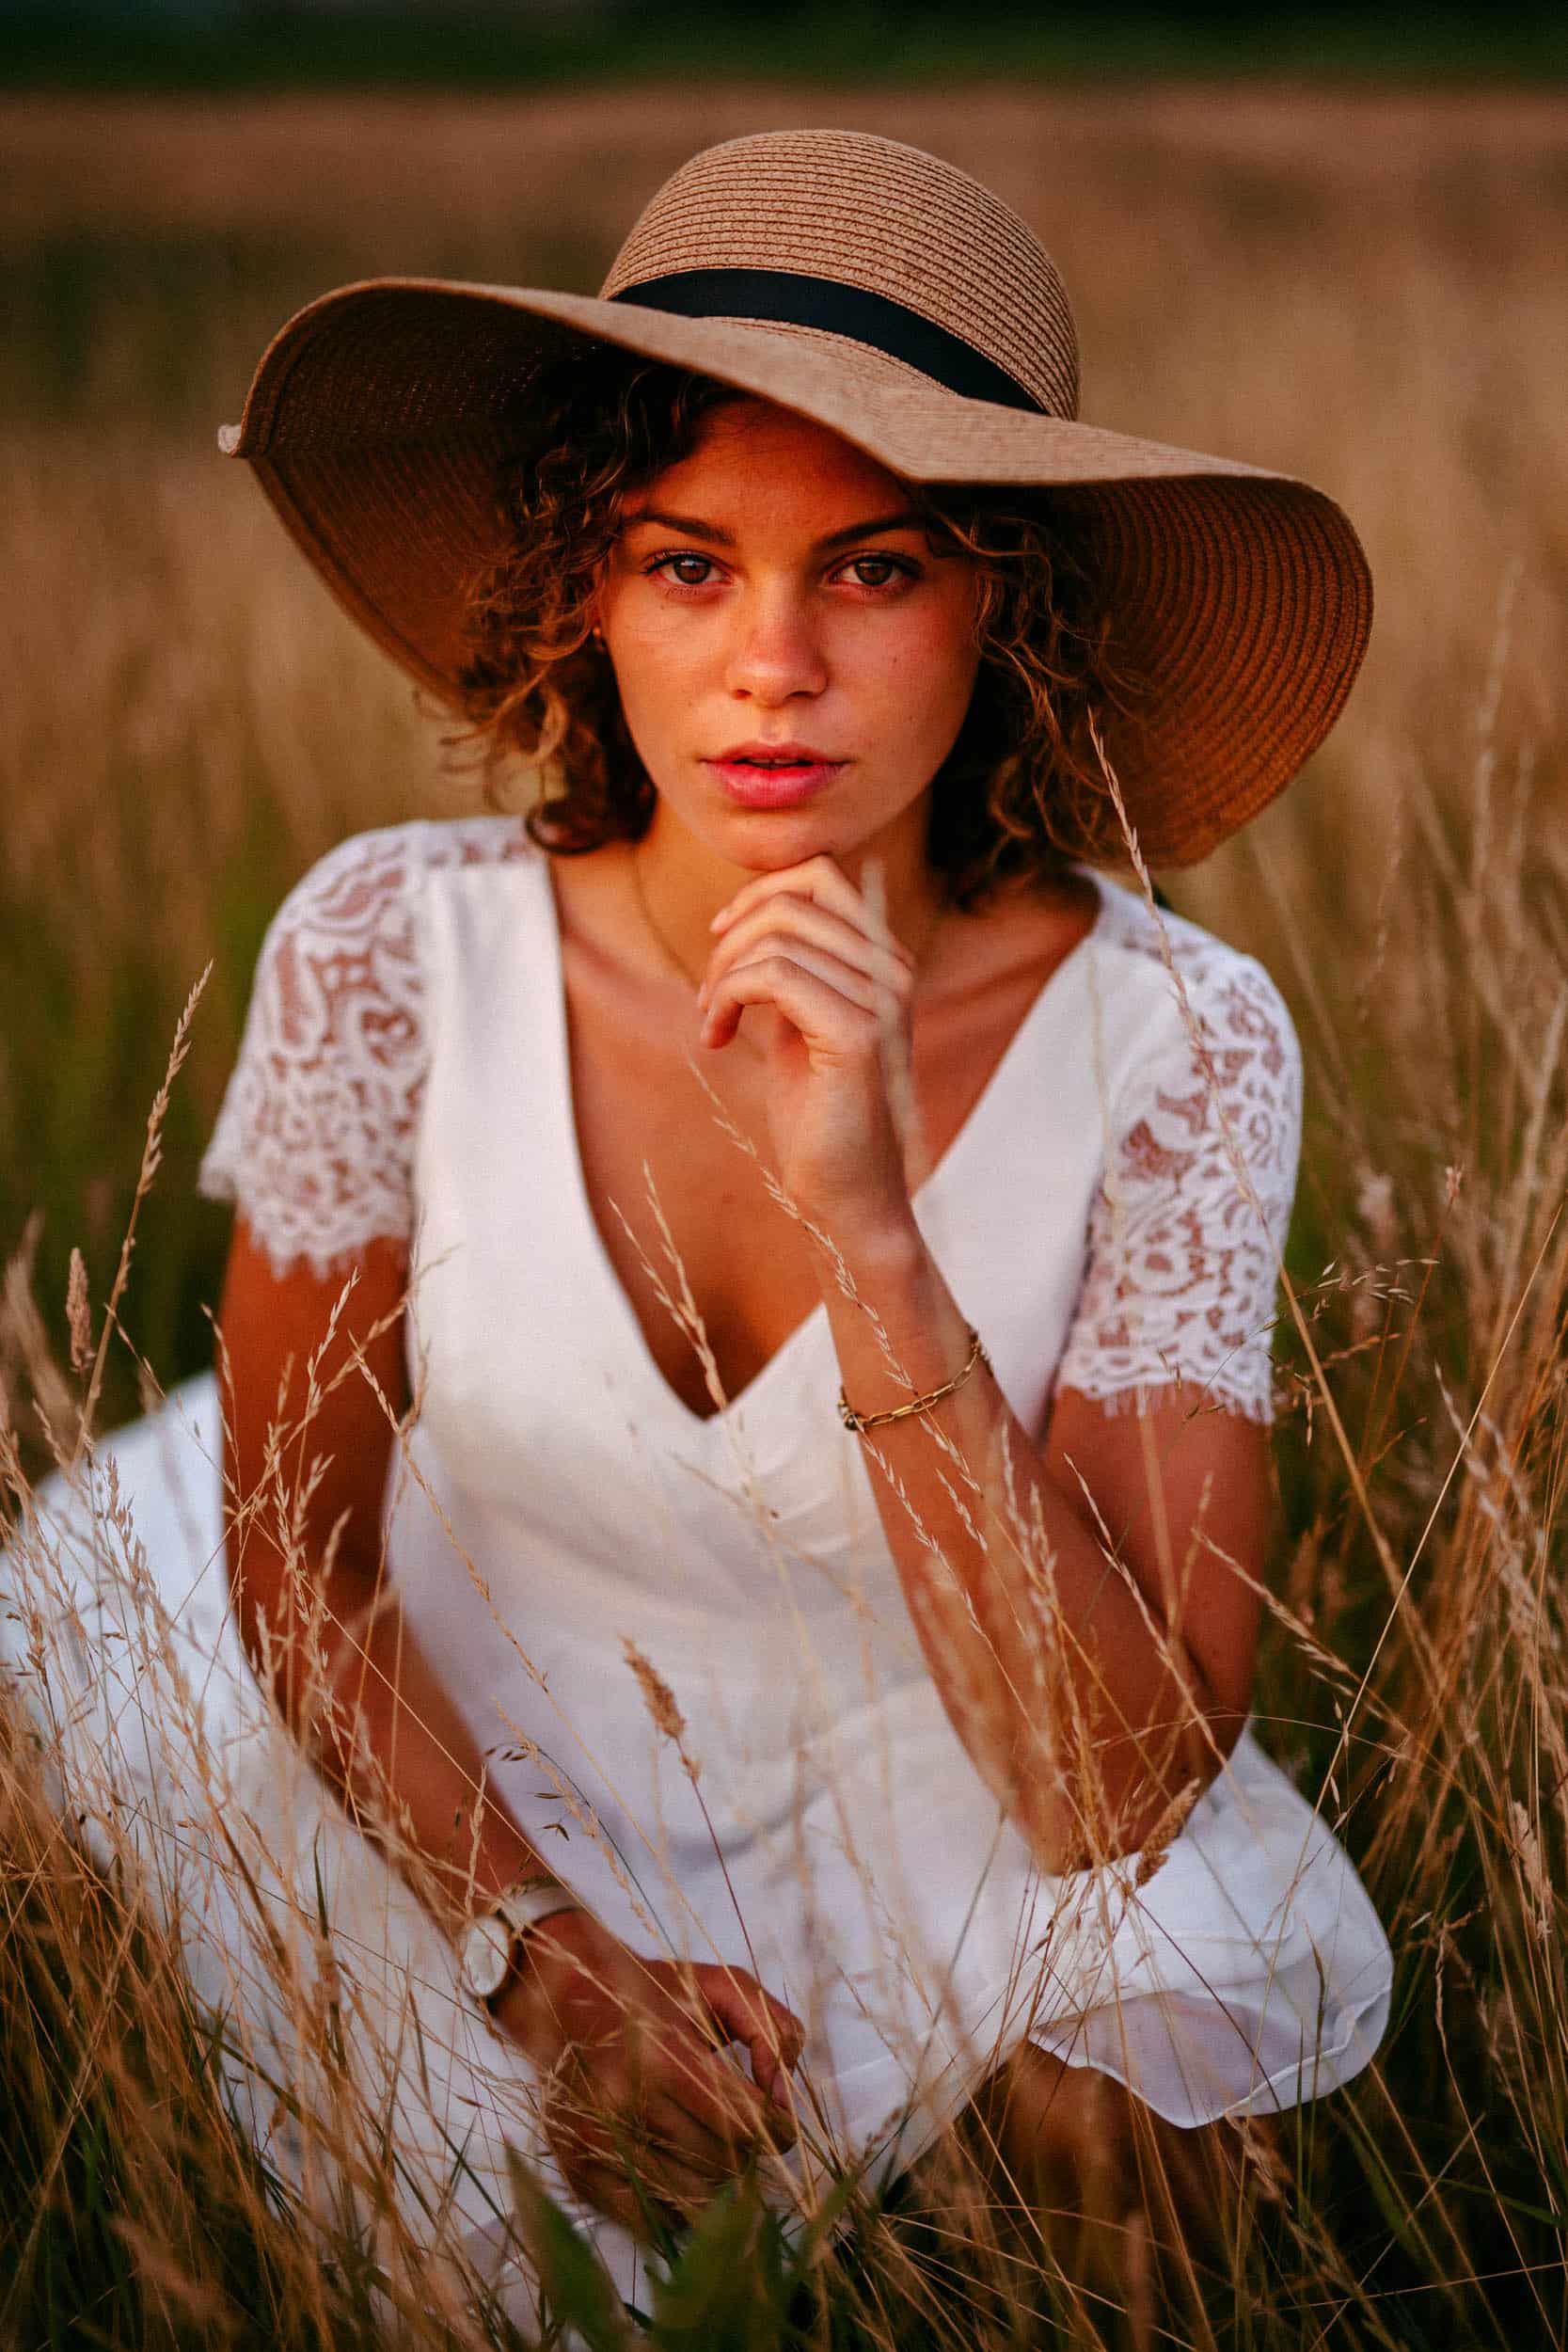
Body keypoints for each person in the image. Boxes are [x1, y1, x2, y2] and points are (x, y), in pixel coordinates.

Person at [5, 129, 1392, 2326]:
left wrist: (868, 1227)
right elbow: (302, 1558)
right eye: (684, 563)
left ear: (999, 593)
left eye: (872, 567)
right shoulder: (390, 947)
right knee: (482, 2272)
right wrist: (547, 1962)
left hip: (952, 1758)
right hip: (480, 1721)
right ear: (585, 581)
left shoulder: (1181, 1038)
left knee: (1141, 2103)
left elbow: (1115, 1784)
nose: (771, 666)